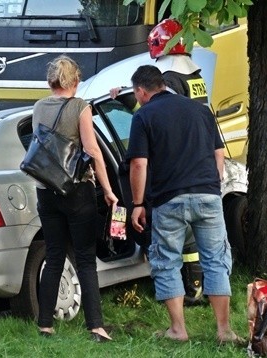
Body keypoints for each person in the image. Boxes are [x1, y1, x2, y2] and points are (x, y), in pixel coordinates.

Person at [127, 65, 241, 344]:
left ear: (142, 91)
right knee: (216, 260)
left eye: (135, 94)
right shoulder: (201, 111)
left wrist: (138, 203)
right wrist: (212, 186)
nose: (137, 98)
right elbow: (218, 154)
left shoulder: (143, 116)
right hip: (208, 195)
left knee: (166, 262)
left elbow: (139, 163)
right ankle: (224, 331)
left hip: (169, 199)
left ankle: (178, 330)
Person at [110, 18, 208, 305]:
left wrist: (127, 101)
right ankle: (196, 286)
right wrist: (127, 102)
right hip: (196, 159)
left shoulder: (172, 77)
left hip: (174, 166)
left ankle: (184, 290)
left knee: (181, 237)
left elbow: (159, 113)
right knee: (196, 238)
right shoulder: (193, 76)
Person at [33, 55, 118, 342]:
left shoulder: (38, 107)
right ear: (76, 81)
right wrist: (107, 189)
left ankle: (45, 325)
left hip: (46, 191)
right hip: (76, 190)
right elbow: (93, 152)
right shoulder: (81, 107)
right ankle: (96, 326)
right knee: (84, 259)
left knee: (54, 255)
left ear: (51, 81)